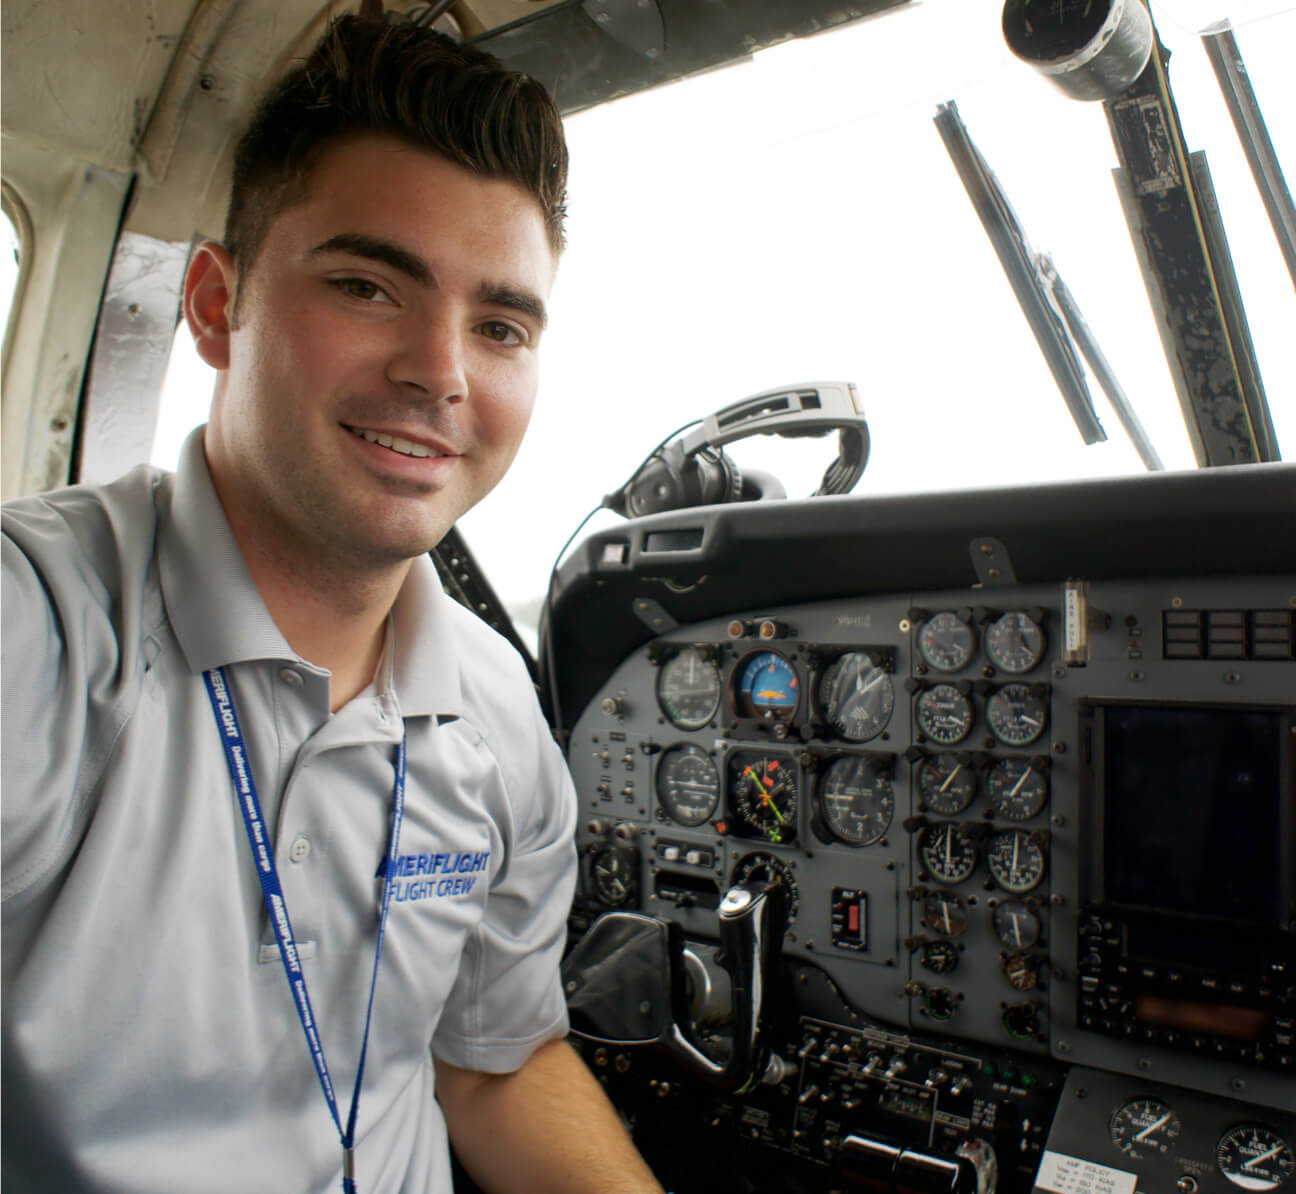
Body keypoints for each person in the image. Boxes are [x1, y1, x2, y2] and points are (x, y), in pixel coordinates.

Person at [1, 11, 664, 1194]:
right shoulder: (43, 630)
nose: (441, 371)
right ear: (216, 303)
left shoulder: (496, 711)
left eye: (500, 324)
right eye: (367, 285)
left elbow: (490, 1063)